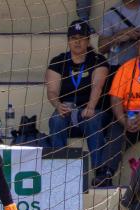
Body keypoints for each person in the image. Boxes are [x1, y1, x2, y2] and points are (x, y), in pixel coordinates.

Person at [45, 20, 110, 186]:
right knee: (56, 120)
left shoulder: (98, 59)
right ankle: (59, 172)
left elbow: (98, 86)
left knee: (93, 119)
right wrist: (58, 105)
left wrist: (90, 106)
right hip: (67, 108)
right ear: (68, 40)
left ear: (88, 40)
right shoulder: (58, 61)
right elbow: (51, 91)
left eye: (82, 38)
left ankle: (101, 172)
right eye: (74, 38)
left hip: (92, 108)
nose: (78, 41)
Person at [104, 34, 140, 181]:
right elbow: (115, 98)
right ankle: (106, 173)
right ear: (137, 46)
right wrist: (123, 120)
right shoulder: (126, 68)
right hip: (129, 116)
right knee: (115, 127)